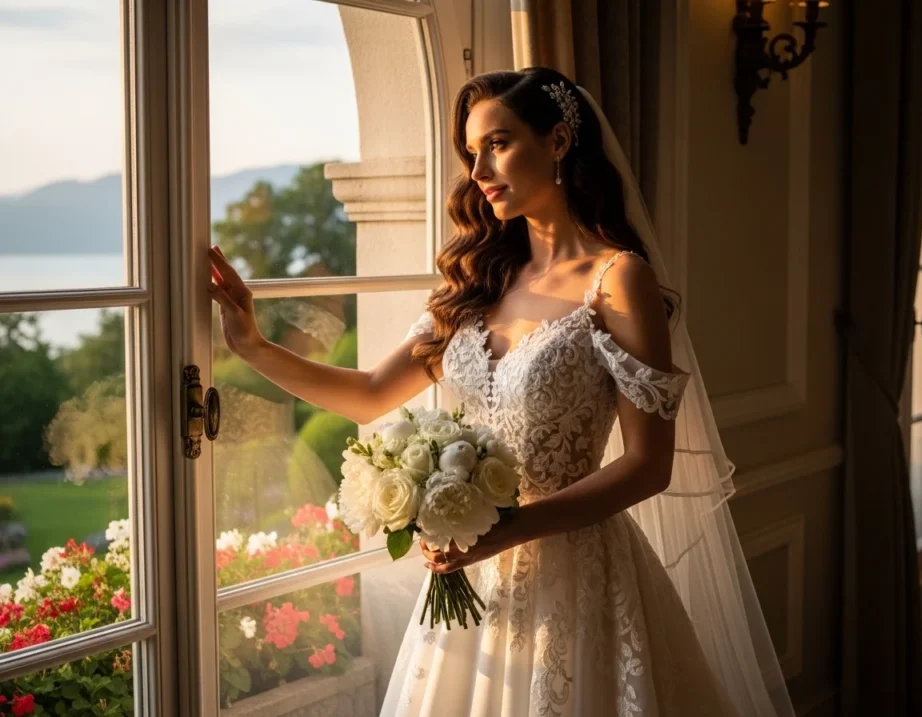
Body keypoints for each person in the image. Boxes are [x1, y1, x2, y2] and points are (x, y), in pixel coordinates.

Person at [209, 67, 795, 717]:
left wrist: (508, 528)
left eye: (498, 142)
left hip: (576, 577)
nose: (479, 169)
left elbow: (647, 466)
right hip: (473, 579)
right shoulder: (478, 281)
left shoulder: (616, 279)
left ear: (560, 140)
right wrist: (252, 346)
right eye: (472, 151)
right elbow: (372, 393)